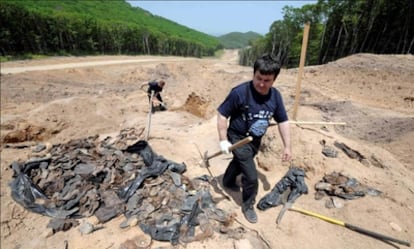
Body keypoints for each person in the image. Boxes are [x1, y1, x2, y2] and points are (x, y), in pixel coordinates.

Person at [216, 54, 291, 223]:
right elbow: (222, 115)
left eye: (267, 80)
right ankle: (248, 205)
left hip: (255, 140)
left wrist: (287, 146)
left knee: (240, 161)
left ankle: (227, 181)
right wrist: (223, 140)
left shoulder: (276, 96)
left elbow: (283, 121)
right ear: (253, 74)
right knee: (250, 176)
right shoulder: (239, 92)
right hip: (237, 137)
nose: (262, 84)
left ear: (274, 80)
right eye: (259, 78)